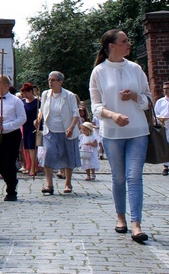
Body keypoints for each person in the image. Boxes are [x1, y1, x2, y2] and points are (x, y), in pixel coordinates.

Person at [90, 29, 150, 243]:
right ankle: (120, 217)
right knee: (119, 178)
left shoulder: (135, 68)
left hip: (138, 132)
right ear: (112, 46)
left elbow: (147, 100)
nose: (129, 43)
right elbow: (95, 106)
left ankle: (136, 224)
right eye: (124, 41)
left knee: (134, 176)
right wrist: (113, 115)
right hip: (112, 132)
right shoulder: (99, 71)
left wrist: (135, 96)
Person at [35, 71, 80, 195]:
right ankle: (49, 184)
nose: (50, 82)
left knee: (68, 155)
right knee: (48, 154)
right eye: (49, 79)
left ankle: (68, 183)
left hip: (66, 130)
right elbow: (42, 109)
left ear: (60, 82)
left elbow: (75, 114)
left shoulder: (69, 95)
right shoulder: (45, 94)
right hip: (50, 130)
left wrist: (71, 127)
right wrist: (39, 119)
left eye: (53, 80)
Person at [0, 75, 25, 202]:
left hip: (11, 134)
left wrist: (6, 126)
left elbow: (22, 118)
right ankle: (12, 180)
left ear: (6, 86)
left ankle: (11, 190)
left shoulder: (15, 101)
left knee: (9, 162)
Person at [19, 82, 41, 177]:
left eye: (26, 93)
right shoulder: (23, 102)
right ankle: (31, 165)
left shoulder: (38, 102)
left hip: (34, 126)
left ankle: (33, 168)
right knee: (27, 148)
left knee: (32, 148)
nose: (25, 95)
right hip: (25, 126)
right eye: (23, 93)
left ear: (31, 91)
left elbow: (41, 113)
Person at [153, 81, 169, 176]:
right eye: (164, 89)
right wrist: (158, 119)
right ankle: (166, 166)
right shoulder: (160, 102)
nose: (166, 91)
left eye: (167, 89)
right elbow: (155, 114)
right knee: (165, 146)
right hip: (164, 126)